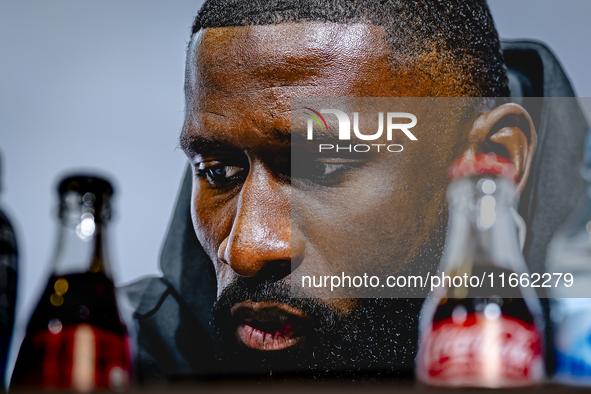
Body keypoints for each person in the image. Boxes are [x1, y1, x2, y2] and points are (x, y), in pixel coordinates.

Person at [126, 0, 589, 381]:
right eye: (218, 171)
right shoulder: (120, 356)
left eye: (322, 164)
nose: (247, 248)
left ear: (497, 159)